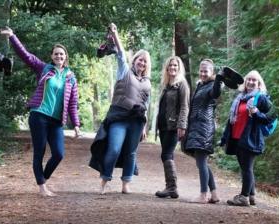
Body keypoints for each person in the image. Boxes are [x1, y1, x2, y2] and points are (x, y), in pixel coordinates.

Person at [0, 27, 81, 196]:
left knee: (58, 154)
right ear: (52, 56)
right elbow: (26, 55)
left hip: (56, 121)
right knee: (40, 151)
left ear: (66, 57)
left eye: (62, 54)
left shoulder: (71, 78)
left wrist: (77, 125)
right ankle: (42, 187)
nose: (59, 56)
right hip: (39, 116)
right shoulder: (43, 68)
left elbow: (73, 104)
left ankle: (42, 178)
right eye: (56, 54)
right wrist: (13, 36)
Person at [89, 23, 151, 194]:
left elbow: (146, 104)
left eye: (145, 61)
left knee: (131, 153)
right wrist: (115, 34)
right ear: (135, 60)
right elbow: (122, 54)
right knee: (114, 148)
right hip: (119, 118)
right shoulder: (125, 71)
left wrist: (144, 126)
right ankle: (104, 180)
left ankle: (126, 183)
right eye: (140, 59)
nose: (142, 63)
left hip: (137, 122)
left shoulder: (147, 82)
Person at [220, 70, 274, 206]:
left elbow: (271, 117)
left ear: (259, 84)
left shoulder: (261, 98)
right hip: (238, 138)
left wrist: (256, 113)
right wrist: (225, 137)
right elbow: (231, 120)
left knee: (247, 168)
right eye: (248, 79)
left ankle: (243, 197)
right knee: (245, 168)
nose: (250, 82)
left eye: (254, 80)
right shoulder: (240, 97)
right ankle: (251, 196)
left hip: (252, 138)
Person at [183, 59, 224, 204]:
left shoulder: (213, 85)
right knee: (202, 163)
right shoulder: (201, 85)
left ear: (212, 72)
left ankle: (203, 195)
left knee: (201, 162)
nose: (203, 73)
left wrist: (219, 80)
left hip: (204, 128)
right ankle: (213, 194)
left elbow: (215, 93)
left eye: (206, 71)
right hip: (197, 127)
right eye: (201, 70)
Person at [155, 56, 190, 199]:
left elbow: (184, 106)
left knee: (166, 154)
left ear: (179, 68)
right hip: (164, 125)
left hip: (173, 126)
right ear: (167, 68)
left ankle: (171, 187)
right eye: (170, 66)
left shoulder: (182, 84)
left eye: (175, 66)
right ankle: (171, 188)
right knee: (168, 154)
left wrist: (182, 125)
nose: (172, 68)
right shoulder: (166, 84)